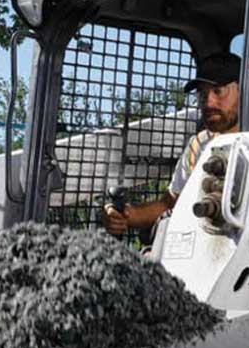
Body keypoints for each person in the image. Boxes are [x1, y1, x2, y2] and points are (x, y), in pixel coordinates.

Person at [103, 51, 240, 237]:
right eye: (202, 93)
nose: (208, 103)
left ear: (244, 90)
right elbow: (170, 203)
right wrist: (126, 216)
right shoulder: (198, 145)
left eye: (218, 91)